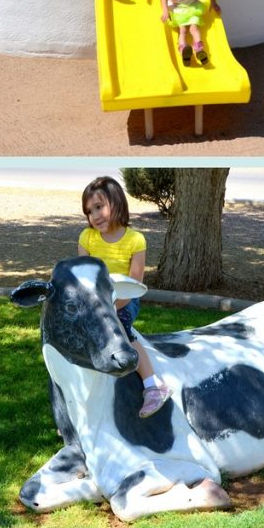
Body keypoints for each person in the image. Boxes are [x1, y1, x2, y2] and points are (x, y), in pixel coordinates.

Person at [77, 176, 171, 418]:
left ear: (116, 202)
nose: (95, 216)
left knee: (121, 329)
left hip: (126, 298)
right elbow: (84, 276)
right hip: (95, 300)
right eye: (89, 211)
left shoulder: (135, 240)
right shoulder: (87, 238)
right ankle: (81, 401)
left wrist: (112, 308)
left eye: (99, 207)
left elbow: (135, 282)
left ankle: (153, 385)